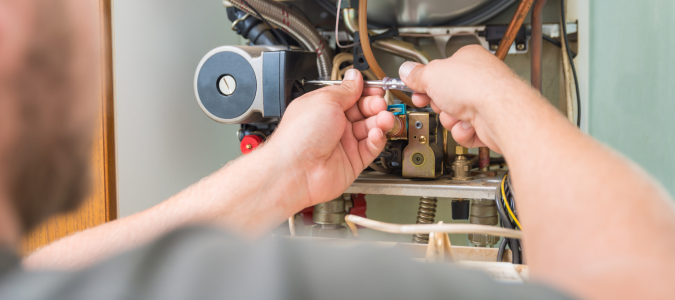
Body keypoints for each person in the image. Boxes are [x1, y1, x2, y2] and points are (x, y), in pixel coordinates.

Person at [0, 1, 673, 299]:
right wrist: (506, 105)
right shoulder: (256, 287)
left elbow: (47, 276)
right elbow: (644, 286)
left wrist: (284, 174)